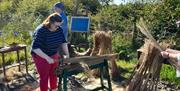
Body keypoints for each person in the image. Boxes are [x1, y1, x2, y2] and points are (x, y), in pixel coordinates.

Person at [31, 13, 69, 91]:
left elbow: (63, 42)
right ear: (50, 23)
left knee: (54, 74)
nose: (57, 27)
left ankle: (54, 89)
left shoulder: (59, 29)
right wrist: (47, 58)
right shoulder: (41, 31)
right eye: (56, 26)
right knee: (44, 77)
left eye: (59, 25)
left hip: (53, 53)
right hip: (40, 55)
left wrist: (67, 54)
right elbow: (35, 48)